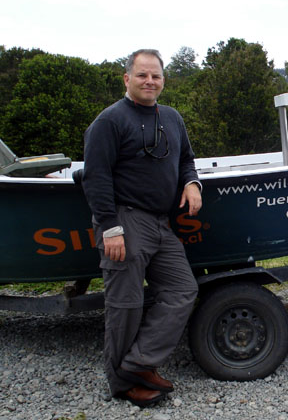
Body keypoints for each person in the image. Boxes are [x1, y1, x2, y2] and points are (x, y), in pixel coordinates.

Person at [82, 49, 201, 406]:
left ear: (164, 80)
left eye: (157, 76)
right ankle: (122, 385)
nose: (150, 82)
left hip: (161, 223)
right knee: (126, 305)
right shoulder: (110, 121)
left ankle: (137, 364)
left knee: (183, 290)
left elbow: (186, 160)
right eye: (143, 75)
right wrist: (110, 228)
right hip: (125, 219)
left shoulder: (172, 117)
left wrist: (192, 183)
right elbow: (96, 177)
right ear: (127, 79)